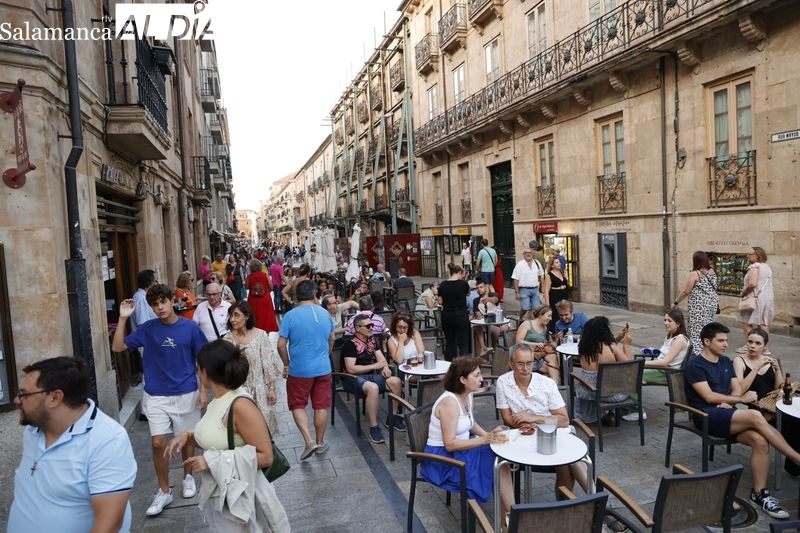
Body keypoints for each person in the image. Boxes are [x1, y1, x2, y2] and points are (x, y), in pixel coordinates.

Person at [165, 340, 290, 532]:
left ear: (205, 372)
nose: (197, 372)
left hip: (240, 496)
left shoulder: (240, 405)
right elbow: (218, 437)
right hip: (223, 491)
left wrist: (211, 462)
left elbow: (266, 456)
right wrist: (188, 437)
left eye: (198, 368)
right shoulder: (219, 400)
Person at [685, 322, 800, 520]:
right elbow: (710, 397)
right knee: (756, 416)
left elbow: (736, 388)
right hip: (706, 416)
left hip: (726, 414)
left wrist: (730, 402)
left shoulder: (724, 362)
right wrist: (740, 400)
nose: (725, 344)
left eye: (726, 340)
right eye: (721, 340)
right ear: (706, 341)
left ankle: (759, 493)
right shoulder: (695, 365)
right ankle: (797, 457)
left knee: (760, 440)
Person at [9, 357, 137, 532]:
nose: (17, 400)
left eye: (24, 394)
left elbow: (108, 526)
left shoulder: (107, 440)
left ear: (55, 398)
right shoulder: (33, 431)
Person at [112, 283, 209, 517]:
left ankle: (187, 477)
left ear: (171, 301)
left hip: (186, 391)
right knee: (157, 442)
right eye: (154, 304)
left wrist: (204, 390)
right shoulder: (147, 329)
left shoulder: (190, 328)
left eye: (163, 302)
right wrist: (123, 318)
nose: (159, 308)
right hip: (156, 394)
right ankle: (164, 490)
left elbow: (203, 361)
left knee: (187, 439)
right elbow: (118, 347)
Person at [421, 357, 513, 517]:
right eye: (476, 375)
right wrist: (484, 440)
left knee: (499, 455)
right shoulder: (449, 403)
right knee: (497, 461)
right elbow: (449, 444)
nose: (481, 379)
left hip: (463, 447)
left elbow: (470, 423)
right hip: (442, 459)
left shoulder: (467, 394)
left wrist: (490, 436)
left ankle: (507, 516)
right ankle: (511, 514)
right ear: (462, 379)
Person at [496, 344, 589, 499]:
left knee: (568, 460)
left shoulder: (546, 383)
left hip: (554, 432)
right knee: (568, 461)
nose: (525, 368)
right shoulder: (503, 382)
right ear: (510, 363)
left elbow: (564, 420)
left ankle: (587, 504)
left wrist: (533, 419)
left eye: (529, 363)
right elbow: (508, 419)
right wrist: (529, 424)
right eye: (520, 364)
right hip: (523, 435)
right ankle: (588, 504)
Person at [277, 280, 336, 460]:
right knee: (320, 405)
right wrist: (325, 355)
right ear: (314, 294)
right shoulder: (325, 314)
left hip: (299, 370)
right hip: (323, 368)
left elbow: (280, 345)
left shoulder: (290, 316)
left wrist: (286, 364)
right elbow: (331, 339)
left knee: (298, 404)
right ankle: (319, 442)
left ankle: (309, 441)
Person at [224, 301, 284, 436]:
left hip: (260, 391)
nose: (232, 319)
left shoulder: (261, 335)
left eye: (236, 315)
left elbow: (268, 364)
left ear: (247, 316)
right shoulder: (227, 340)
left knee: (264, 432)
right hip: (238, 394)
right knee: (244, 433)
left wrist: (272, 389)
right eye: (231, 316)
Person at [343, 313, 405, 444]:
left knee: (396, 382)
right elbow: (351, 368)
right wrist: (376, 365)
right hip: (351, 378)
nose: (372, 327)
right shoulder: (350, 344)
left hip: (370, 377)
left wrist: (386, 368)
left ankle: (392, 418)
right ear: (358, 328)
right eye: (368, 325)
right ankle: (374, 427)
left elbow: (381, 359)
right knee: (373, 387)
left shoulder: (372, 341)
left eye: (372, 325)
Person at [623, 309, 690, 422]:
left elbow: (665, 362)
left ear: (678, 323)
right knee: (629, 372)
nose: (665, 323)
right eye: (664, 320)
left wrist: (642, 364)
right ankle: (626, 404)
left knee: (631, 375)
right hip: (660, 369)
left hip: (668, 373)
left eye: (669, 320)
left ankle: (637, 411)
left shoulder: (680, 340)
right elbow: (664, 355)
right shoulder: (670, 335)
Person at [573, 316, 631, 425]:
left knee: (587, 382)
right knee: (618, 380)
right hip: (611, 394)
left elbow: (602, 348)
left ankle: (603, 414)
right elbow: (629, 366)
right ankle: (610, 413)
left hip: (588, 391)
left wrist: (617, 338)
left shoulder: (584, 348)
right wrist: (626, 345)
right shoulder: (611, 347)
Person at [673, 251, 719, 354]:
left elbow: (685, 291)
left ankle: (698, 355)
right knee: (707, 329)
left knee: (696, 331)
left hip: (699, 307)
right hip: (711, 305)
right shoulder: (712, 271)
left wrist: (676, 302)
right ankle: (709, 351)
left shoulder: (695, 274)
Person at [737, 246, 775, 354]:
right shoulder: (767, 267)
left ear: (758, 255)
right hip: (766, 298)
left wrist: (744, 293)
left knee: (747, 322)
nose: (748, 256)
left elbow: (752, 283)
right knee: (763, 323)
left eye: (751, 254)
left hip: (755, 298)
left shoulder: (755, 267)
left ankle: (750, 344)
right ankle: (765, 347)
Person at [732, 328, 782, 402]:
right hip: (756, 405)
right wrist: (756, 369)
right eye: (750, 342)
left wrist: (777, 370)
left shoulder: (769, 361)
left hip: (772, 404)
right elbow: (739, 391)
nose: (752, 346)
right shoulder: (739, 361)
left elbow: (778, 391)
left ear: (765, 346)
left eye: (758, 343)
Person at [514, 305, 560, 382]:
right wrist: (535, 344)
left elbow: (552, 343)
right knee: (555, 371)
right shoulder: (527, 324)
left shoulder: (545, 328)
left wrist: (557, 339)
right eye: (548, 316)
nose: (551, 318)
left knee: (553, 357)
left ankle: (554, 386)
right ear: (541, 314)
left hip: (539, 354)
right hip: (526, 354)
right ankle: (554, 386)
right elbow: (518, 341)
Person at [439, 263, 471, 360]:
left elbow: (440, 301)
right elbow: (468, 293)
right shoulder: (463, 284)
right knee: (463, 341)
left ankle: (448, 364)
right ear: (459, 273)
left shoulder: (443, 284)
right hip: (461, 315)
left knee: (450, 341)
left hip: (447, 315)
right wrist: (464, 279)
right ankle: (463, 365)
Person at [471, 280, 509, 356]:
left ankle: (492, 349)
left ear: (485, 287)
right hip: (484, 324)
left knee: (495, 331)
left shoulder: (493, 295)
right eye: (477, 288)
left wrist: (487, 299)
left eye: (481, 287)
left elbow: (496, 300)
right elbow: (477, 313)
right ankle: (482, 351)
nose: (479, 289)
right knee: (476, 328)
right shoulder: (476, 300)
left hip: (497, 322)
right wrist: (478, 315)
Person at [247, 258, 280, 335]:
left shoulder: (249, 276)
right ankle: (265, 335)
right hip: (265, 299)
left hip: (253, 300)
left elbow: (246, 286)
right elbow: (271, 287)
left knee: (254, 317)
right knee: (265, 318)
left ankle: (255, 335)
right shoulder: (265, 275)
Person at [511, 248, 544, 321]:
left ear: (532, 254)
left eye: (530, 253)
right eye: (526, 252)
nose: (528, 254)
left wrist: (543, 288)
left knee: (535, 308)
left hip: (535, 289)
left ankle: (533, 324)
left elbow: (541, 275)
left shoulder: (537, 263)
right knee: (525, 308)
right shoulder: (520, 265)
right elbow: (515, 279)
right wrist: (516, 292)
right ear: (523, 254)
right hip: (524, 289)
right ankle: (520, 318)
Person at [542, 256, 568, 332]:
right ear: (552, 265)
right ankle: (554, 331)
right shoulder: (549, 276)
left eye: (559, 262)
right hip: (554, 296)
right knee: (555, 314)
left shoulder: (562, 272)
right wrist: (547, 305)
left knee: (564, 313)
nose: (559, 263)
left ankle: (564, 330)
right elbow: (546, 291)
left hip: (563, 295)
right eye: (557, 262)